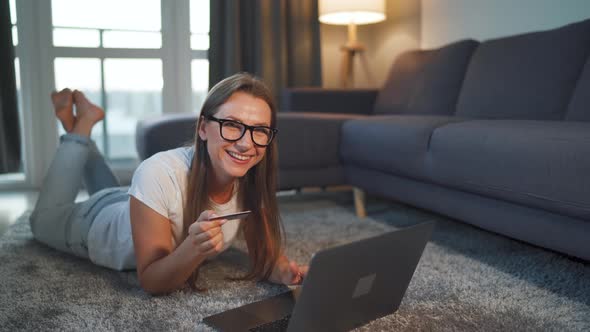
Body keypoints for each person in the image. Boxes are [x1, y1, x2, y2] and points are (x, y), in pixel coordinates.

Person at [29, 72, 308, 295]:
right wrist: (192, 248)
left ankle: (77, 124)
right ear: (202, 128)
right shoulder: (157, 172)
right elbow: (150, 280)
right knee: (40, 221)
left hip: (134, 202)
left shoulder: (251, 179)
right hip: (96, 223)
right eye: (232, 125)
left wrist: (286, 273)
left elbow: (267, 254)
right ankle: (80, 128)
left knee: (116, 193)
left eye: (260, 131)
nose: (247, 143)